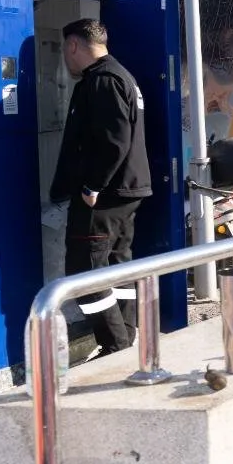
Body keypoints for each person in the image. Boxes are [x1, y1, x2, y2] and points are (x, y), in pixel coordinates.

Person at [49, 18, 153, 355]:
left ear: (74, 46)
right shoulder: (122, 76)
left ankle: (114, 344)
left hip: (105, 196)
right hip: (126, 191)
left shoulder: (102, 81)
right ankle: (126, 338)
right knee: (118, 266)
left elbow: (114, 141)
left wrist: (92, 187)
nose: (65, 57)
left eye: (66, 49)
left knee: (85, 270)